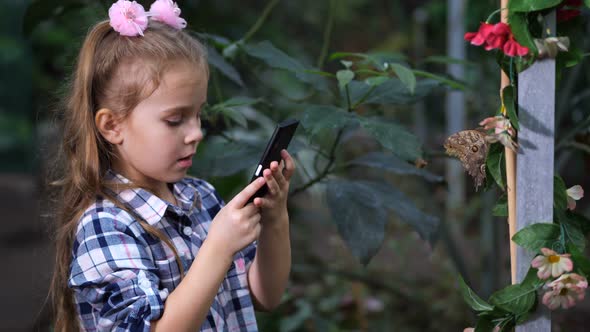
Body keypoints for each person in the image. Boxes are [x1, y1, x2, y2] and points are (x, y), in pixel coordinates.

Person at [48, 1, 294, 331]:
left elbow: (265, 295)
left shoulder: (201, 198)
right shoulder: (106, 225)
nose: (196, 133)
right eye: (175, 120)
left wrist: (275, 217)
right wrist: (218, 248)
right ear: (112, 126)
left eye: (198, 115)